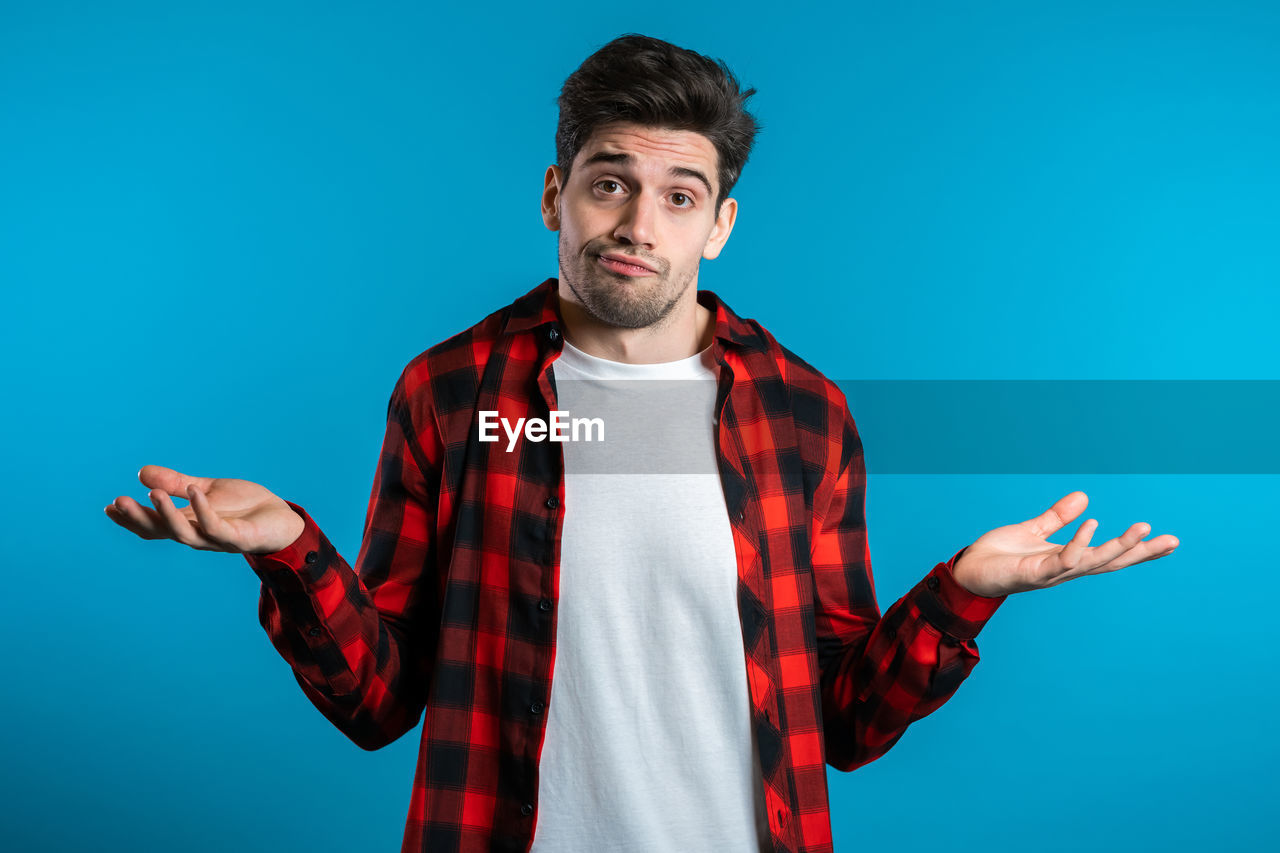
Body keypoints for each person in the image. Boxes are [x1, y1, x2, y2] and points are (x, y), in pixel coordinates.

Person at [105, 33, 1180, 853]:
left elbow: (842, 723)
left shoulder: (804, 415)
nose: (637, 224)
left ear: (717, 226)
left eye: (678, 196)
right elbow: (380, 702)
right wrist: (291, 547)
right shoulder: (455, 394)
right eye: (608, 182)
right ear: (552, 196)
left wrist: (961, 591)